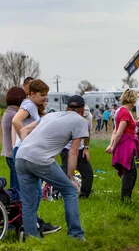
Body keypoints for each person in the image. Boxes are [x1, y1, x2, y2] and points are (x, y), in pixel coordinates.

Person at [15, 95, 88, 240]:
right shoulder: (80, 121)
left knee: (29, 203)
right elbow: (73, 151)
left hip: (21, 156)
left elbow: (23, 131)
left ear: (67, 108)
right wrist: (70, 177)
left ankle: (33, 240)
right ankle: (76, 235)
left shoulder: (50, 116)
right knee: (70, 191)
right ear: (82, 110)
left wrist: (28, 148)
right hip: (41, 159)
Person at [106, 89, 139, 201]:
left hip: (126, 143)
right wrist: (112, 146)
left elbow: (117, 130)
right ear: (132, 100)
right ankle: (125, 198)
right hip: (126, 145)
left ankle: (127, 197)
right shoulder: (125, 112)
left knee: (132, 172)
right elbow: (119, 131)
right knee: (129, 172)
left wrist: (135, 123)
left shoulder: (121, 111)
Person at [60, 105, 94, 198]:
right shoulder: (66, 118)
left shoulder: (88, 117)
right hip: (67, 148)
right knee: (66, 171)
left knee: (88, 172)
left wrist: (86, 148)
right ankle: (64, 193)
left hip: (80, 148)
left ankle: (84, 195)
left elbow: (87, 132)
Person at [2, 87, 26, 191]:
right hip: (12, 153)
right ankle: (15, 198)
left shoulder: (8, 112)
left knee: (14, 181)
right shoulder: (14, 115)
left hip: (8, 152)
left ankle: (13, 199)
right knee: (16, 185)